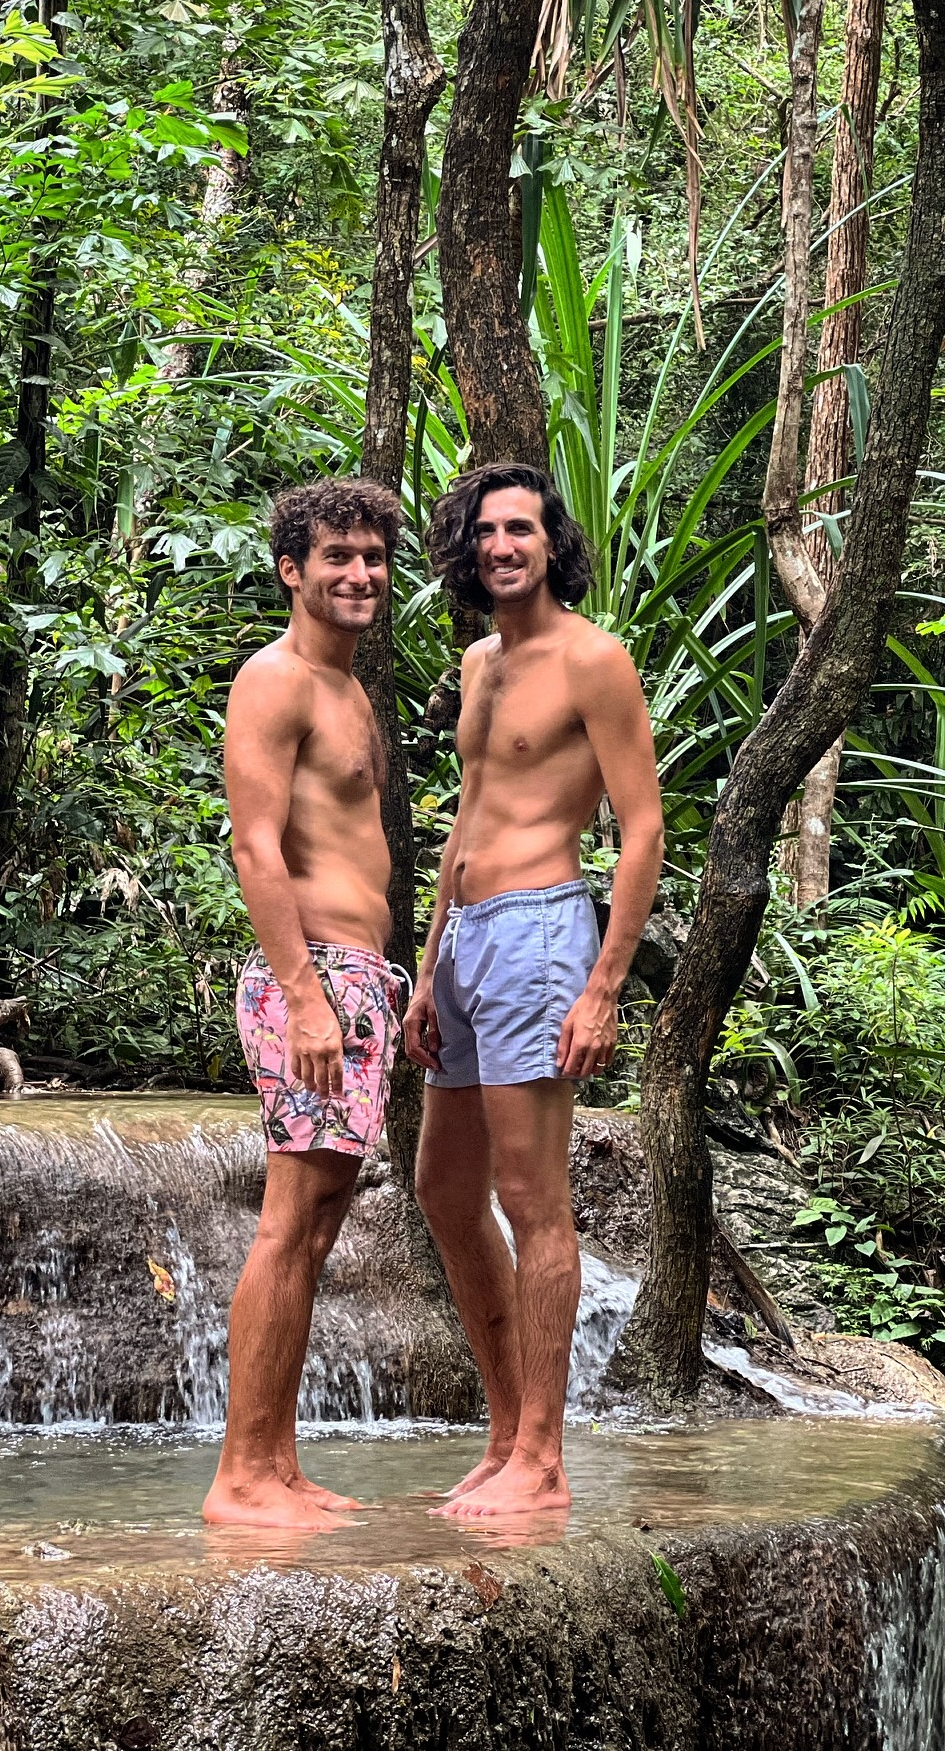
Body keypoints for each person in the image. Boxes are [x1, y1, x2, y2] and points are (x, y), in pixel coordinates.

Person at [404, 463, 664, 1517]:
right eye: (485, 531)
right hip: (466, 940)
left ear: (553, 543)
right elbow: (466, 820)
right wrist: (428, 971)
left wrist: (603, 987)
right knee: (442, 1189)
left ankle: (544, 1460)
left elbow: (642, 829)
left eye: (520, 528)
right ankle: (507, 1432)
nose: (502, 545)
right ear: (466, 551)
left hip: (541, 932)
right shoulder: (479, 663)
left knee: (531, 1199)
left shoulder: (594, 659)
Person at [203, 477, 405, 1530]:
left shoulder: (350, 692)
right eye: (337, 557)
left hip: (356, 980)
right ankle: (241, 1476)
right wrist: (307, 998)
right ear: (293, 570)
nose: (360, 574)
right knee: (289, 1226)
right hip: (313, 979)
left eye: (373, 556)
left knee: (318, 1226)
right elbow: (256, 846)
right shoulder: (274, 680)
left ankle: (277, 1466)